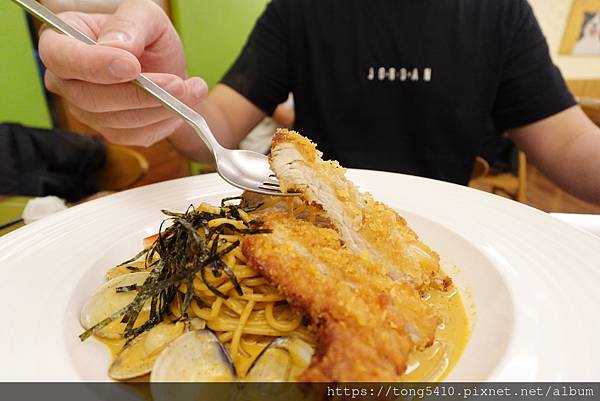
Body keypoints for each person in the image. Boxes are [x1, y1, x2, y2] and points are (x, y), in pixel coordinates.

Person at [38, 0, 600, 203]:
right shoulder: (300, 9)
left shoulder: (497, 12)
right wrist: (161, 90)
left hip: (446, 229)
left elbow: (572, 143)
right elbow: (212, 132)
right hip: (318, 216)